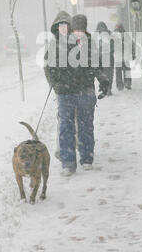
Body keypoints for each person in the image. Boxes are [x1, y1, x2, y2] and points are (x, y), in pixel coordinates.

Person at [47, 14, 109, 176]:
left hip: (85, 91)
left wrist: (103, 81)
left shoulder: (90, 44)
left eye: (82, 29)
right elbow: (51, 66)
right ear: (71, 30)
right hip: (66, 93)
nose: (79, 33)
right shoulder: (60, 44)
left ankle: (87, 158)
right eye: (76, 30)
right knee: (66, 127)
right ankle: (68, 163)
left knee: (86, 126)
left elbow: (97, 65)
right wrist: (57, 83)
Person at [44, 10, 72, 161]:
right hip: (62, 90)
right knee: (63, 121)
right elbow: (47, 67)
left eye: (65, 25)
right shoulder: (53, 46)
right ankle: (62, 150)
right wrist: (54, 84)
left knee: (76, 119)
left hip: (77, 89)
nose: (63, 28)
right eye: (60, 26)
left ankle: (76, 145)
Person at [113, 24, 135, 91]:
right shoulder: (126, 35)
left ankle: (120, 85)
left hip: (118, 57)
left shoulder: (113, 35)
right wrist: (133, 54)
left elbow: (110, 46)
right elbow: (132, 44)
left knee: (118, 72)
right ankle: (127, 83)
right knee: (127, 70)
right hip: (126, 56)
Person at [95, 21, 114, 96]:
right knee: (110, 74)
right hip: (109, 56)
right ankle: (109, 89)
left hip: (100, 57)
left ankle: (105, 88)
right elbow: (113, 45)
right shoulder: (109, 34)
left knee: (102, 74)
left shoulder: (96, 35)